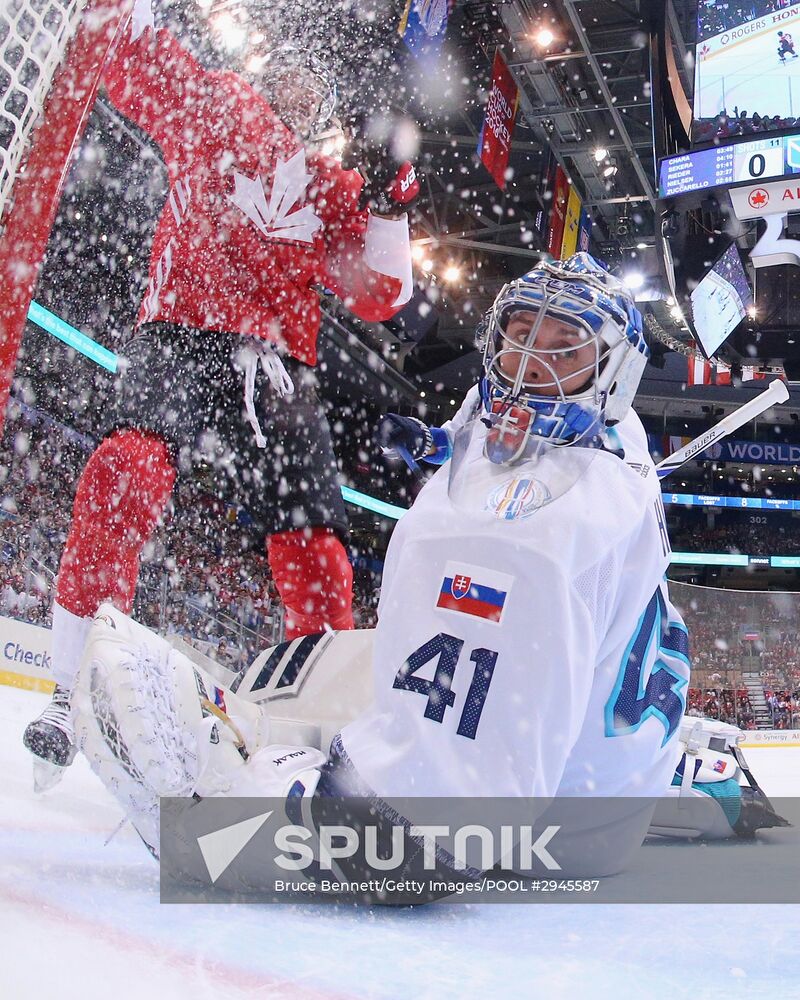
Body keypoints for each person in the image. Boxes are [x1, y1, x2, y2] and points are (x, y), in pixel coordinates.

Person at [23, 0, 415, 786]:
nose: (302, 91)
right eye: (294, 74)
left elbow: (381, 294)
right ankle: (66, 693)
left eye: (319, 87)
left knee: (319, 558)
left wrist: (393, 200)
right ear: (271, 72)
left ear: (331, 111)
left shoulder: (334, 187)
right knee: (122, 475)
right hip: (180, 330)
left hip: (274, 365)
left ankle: (320, 729)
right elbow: (125, 54)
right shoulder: (217, 102)